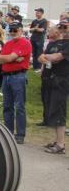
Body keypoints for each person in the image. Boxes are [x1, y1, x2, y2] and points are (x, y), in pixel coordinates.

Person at [0, 21, 32, 144]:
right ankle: (9, 132)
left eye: (15, 30)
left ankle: (20, 134)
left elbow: (6, 58)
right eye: (11, 30)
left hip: (18, 76)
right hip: (6, 76)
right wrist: (12, 58)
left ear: (21, 31)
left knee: (19, 106)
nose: (12, 32)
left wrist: (8, 58)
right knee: (7, 106)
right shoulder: (8, 43)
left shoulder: (25, 43)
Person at [38, 19, 68, 154]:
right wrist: (46, 57)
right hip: (50, 80)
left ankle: (61, 144)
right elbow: (40, 58)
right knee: (53, 110)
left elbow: (57, 58)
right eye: (60, 26)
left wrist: (46, 56)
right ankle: (57, 141)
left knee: (59, 111)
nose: (62, 28)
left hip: (61, 81)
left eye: (65, 26)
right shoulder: (54, 43)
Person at [37, 26, 62, 127]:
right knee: (45, 98)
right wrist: (47, 61)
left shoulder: (62, 44)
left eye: (50, 31)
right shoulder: (50, 44)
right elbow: (40, 58)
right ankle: (46, 119)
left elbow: (57, 59)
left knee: (54, 99)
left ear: (57, 32)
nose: (48, 32)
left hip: (56, 76)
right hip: (46, 74)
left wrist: (47, 59)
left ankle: (54, 120)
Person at [29, 8, 48, 72]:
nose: (36, 13)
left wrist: (36, 29)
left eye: (38, 12)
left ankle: (39, 67)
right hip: (33, 38)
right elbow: (30, 29)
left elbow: (42, 30)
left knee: (39, 53)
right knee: (34, 53)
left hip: (39, 39)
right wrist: (35, 28)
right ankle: (34, 66)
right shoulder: (34, 21)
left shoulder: (44, 21)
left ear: (42, 13)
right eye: (36, 12)